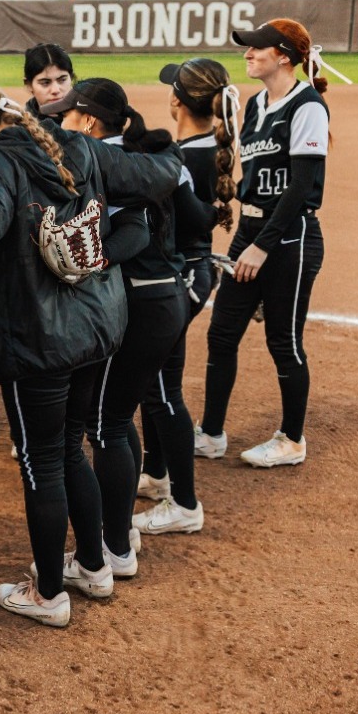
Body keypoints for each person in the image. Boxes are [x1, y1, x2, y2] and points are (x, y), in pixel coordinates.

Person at [0, 88, 182, 626]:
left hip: (38, 337)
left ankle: (49, 594)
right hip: (98, 328)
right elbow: (160, 176)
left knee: (41, 462)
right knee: (71, 448)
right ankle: (95, 566)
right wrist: (170, 150)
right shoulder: (80, 145)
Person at [44, 78, 196, 561]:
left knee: (106, 424)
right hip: (167, 298)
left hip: (141, 304)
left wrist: (90, 259)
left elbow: (135, 235)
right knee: (120, 416)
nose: (61, 122)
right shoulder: (141, 158)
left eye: (67, 114)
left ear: (87, 121)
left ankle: (114, 550)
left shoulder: (110, 163)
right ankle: (122, 535)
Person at [198, 18, 332, 469]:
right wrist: (244, 237)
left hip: (291, 237)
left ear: (283, 56)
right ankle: (212, 433)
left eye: (257, 48)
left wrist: (263, 247)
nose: (248, 54)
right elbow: (252, 180)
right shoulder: (255, 106)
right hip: (252, 233)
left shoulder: (308, 106)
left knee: (283, 341)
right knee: (222, 333)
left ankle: (292, 439)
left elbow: (299, 189)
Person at [133, 59, 241, 535]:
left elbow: (199, 222)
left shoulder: (192, 155)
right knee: (153, 386)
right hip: (187, 274)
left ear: (177, 100)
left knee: (161, 391)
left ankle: (184, 503)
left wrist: (171, 177)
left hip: (186, 278)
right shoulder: (196, 147)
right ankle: (157, 475)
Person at [22, 43, 78, 114]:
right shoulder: (21, 123)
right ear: (29, 85)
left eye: (62, 80)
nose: (55, 90)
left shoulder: (92, 117)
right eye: (45, 83)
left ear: (71, 78)